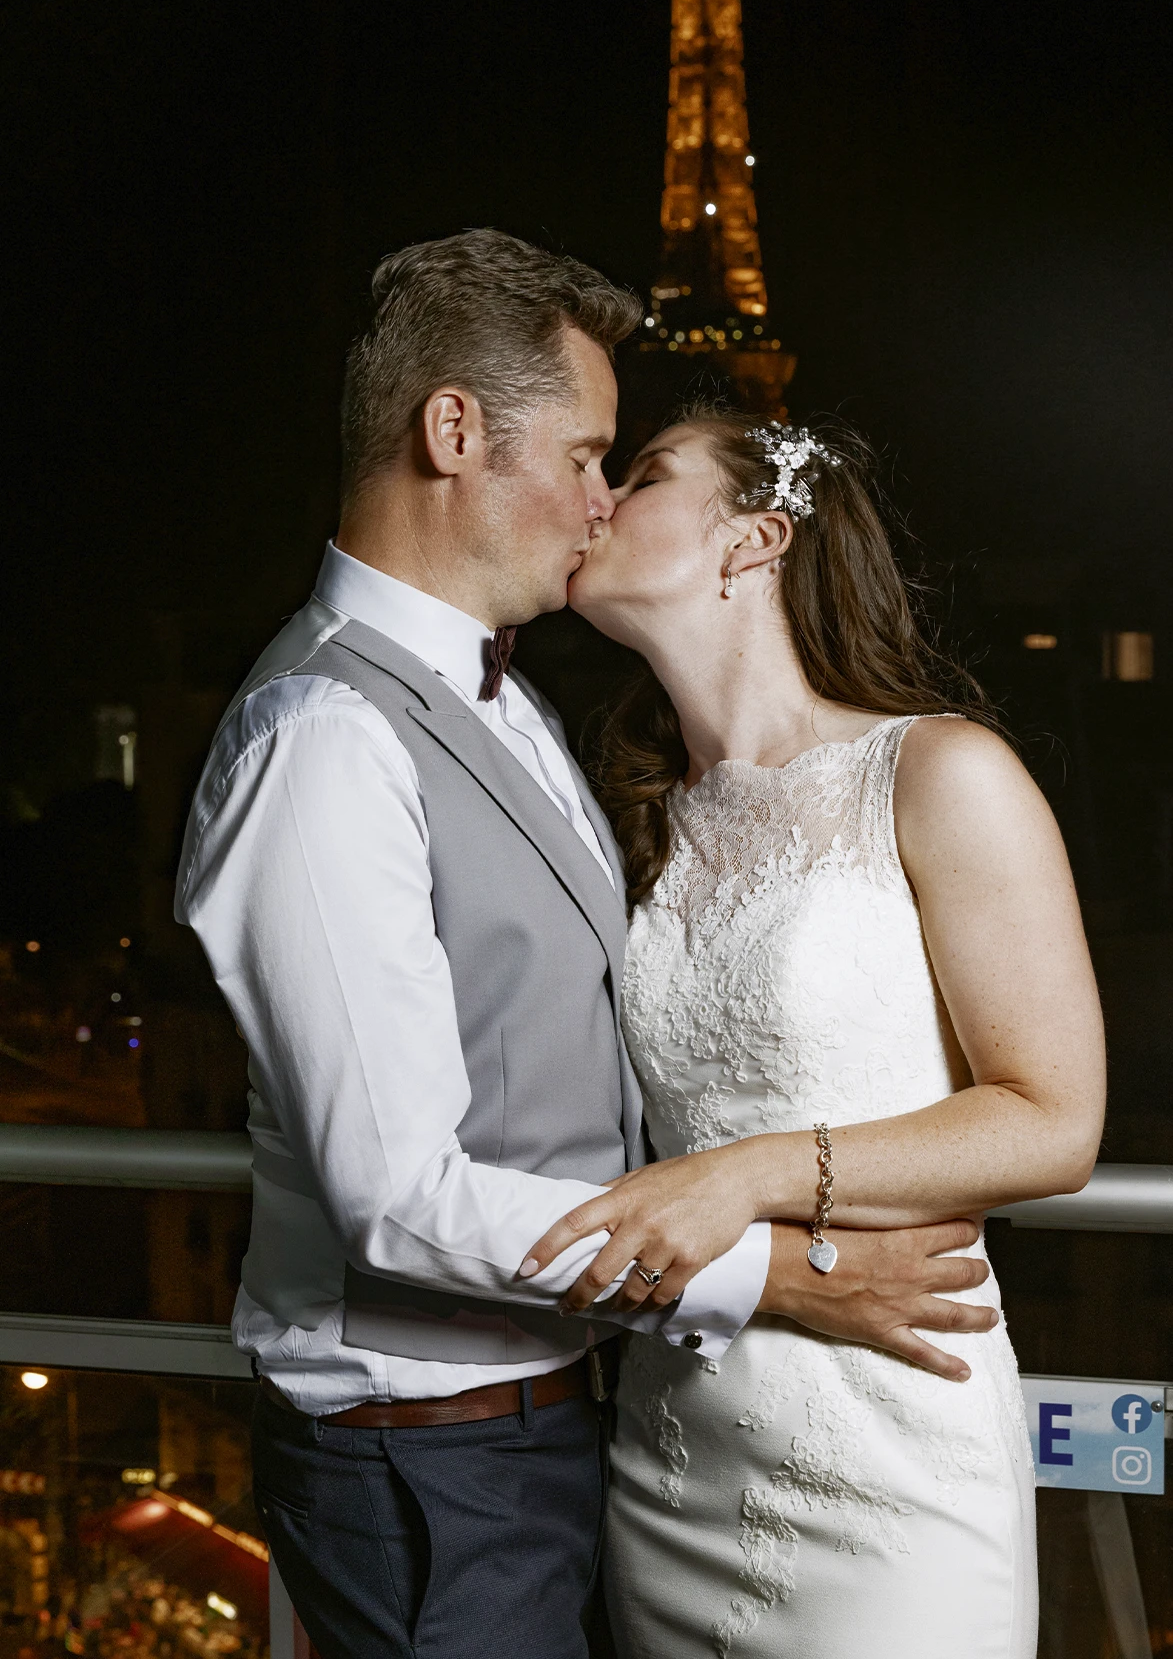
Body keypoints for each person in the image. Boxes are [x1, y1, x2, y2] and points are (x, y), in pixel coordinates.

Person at [174, 232, 1004, 1659]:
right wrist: (779, 1274)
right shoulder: (323, 739)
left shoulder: (515, 707)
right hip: (428, 1463)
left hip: (569, 1437)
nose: (600, 499)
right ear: (453, 431)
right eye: (584, 452)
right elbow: (394, 1194)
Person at [525, 405, 1107, 1657]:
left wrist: (749, 1173)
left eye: (643, 475)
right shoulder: (629, 822)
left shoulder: (942, 772)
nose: (597, 499)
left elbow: (1053, 1121)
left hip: (891, 1444)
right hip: (678, 1442)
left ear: (754, 538)